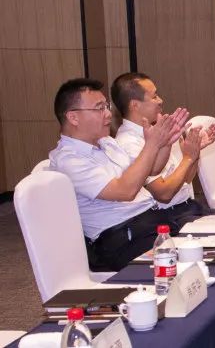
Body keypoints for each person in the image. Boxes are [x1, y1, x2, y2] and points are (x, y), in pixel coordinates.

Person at [48, 78, 195, 271]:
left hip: (150, 224)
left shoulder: (107, 143)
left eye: (106, 106)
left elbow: (150, 170)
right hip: (121, 239)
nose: (108, 114)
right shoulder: (69, 160)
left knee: (204, 253)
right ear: (73, 117)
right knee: (189, 268)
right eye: (99, 108)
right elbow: (125, 191)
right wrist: (152, 145)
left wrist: (164, 143)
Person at [111, 73, 215, 226]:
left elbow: (186, 179)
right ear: (135, 105)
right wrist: (187, 158)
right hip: (170, 217)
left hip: (187, 207)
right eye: (154, 97)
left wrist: (194, 153)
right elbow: (164, 194)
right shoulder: (128, 143)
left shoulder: (157, 131)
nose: (161, 101)